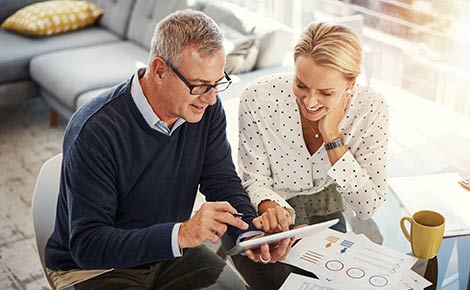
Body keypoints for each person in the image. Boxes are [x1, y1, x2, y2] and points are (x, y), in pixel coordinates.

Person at [44, 10, 292, 290]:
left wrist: (250, 234)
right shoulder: (95, 130)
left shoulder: (205, 110)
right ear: (160, 69)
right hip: (97, 268)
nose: (211, 99)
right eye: (199, 86)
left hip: (170, 253)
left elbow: (221, 182)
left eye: (217, 83)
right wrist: (181, 235)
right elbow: (88, 245)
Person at [232, 21, 389, 290]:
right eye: (301, 85)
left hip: (325, 209)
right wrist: (271, 209)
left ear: (351, 83)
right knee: (275, 284)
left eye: (326, 92)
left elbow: (366, 208)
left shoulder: (371, 109)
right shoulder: (258, 98)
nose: (310, 102)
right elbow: (253, 178)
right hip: (266, 210)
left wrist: (332, 135)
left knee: (333, 283)